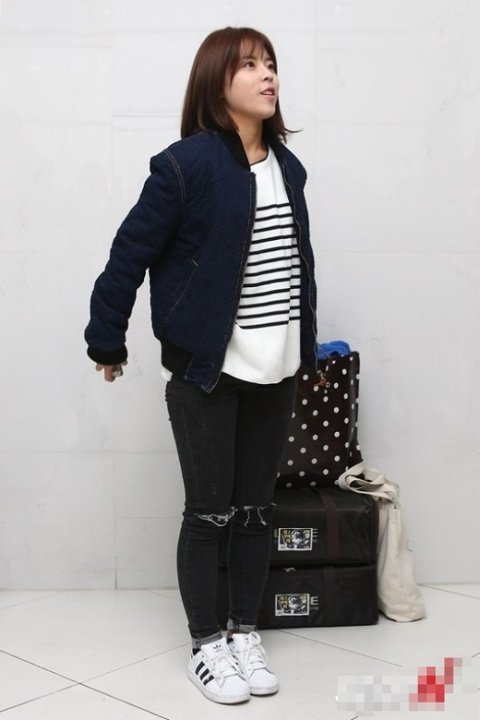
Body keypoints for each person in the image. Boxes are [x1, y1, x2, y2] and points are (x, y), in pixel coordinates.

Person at [85, 26, 317, 705]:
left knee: (256, 512)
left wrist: (304, 350)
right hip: (207, 371)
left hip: (277, 368)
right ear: (218, 82)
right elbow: (128, 255)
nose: (268, 75)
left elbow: (296, 266)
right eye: (251, 65)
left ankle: (244, 631)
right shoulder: (184, 166)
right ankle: (207, 644)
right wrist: (107, 340)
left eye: (271, 64)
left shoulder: (289, 168)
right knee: (210, 513)